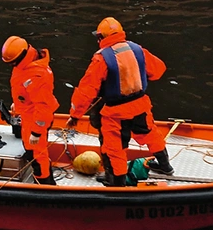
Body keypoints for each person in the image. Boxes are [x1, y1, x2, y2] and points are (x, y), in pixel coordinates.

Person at [66, 17, 172, 187]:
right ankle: (165, 166)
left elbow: (86, 91)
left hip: (115, 113)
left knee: (114, 148)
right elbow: (158, 70)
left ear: (101, 37)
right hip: (140, 105)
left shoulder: (101, 59)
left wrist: (75, 115)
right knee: (151, 134)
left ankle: (116, 182)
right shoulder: (137, 49)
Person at [1, 36, 59, 185]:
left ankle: (44, 184)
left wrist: (37, 132)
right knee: (32, 150)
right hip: (29, 113)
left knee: (38, 155)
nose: (11, 65)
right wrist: (18, 104)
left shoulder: (37, 74)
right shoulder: (25, 65)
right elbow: (25, 91)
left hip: (36, 118)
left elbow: (43, 105)